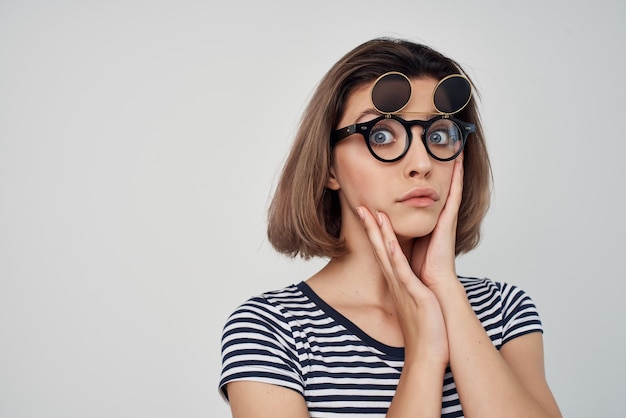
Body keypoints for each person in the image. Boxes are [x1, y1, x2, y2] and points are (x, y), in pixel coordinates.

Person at [218, 37, 562, 418]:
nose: (421, 163)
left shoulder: (503, 310)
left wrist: (445, 289)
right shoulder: (271, 330)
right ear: (329, 167)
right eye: (381, 135)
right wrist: (424, 358)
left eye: (439, 135)